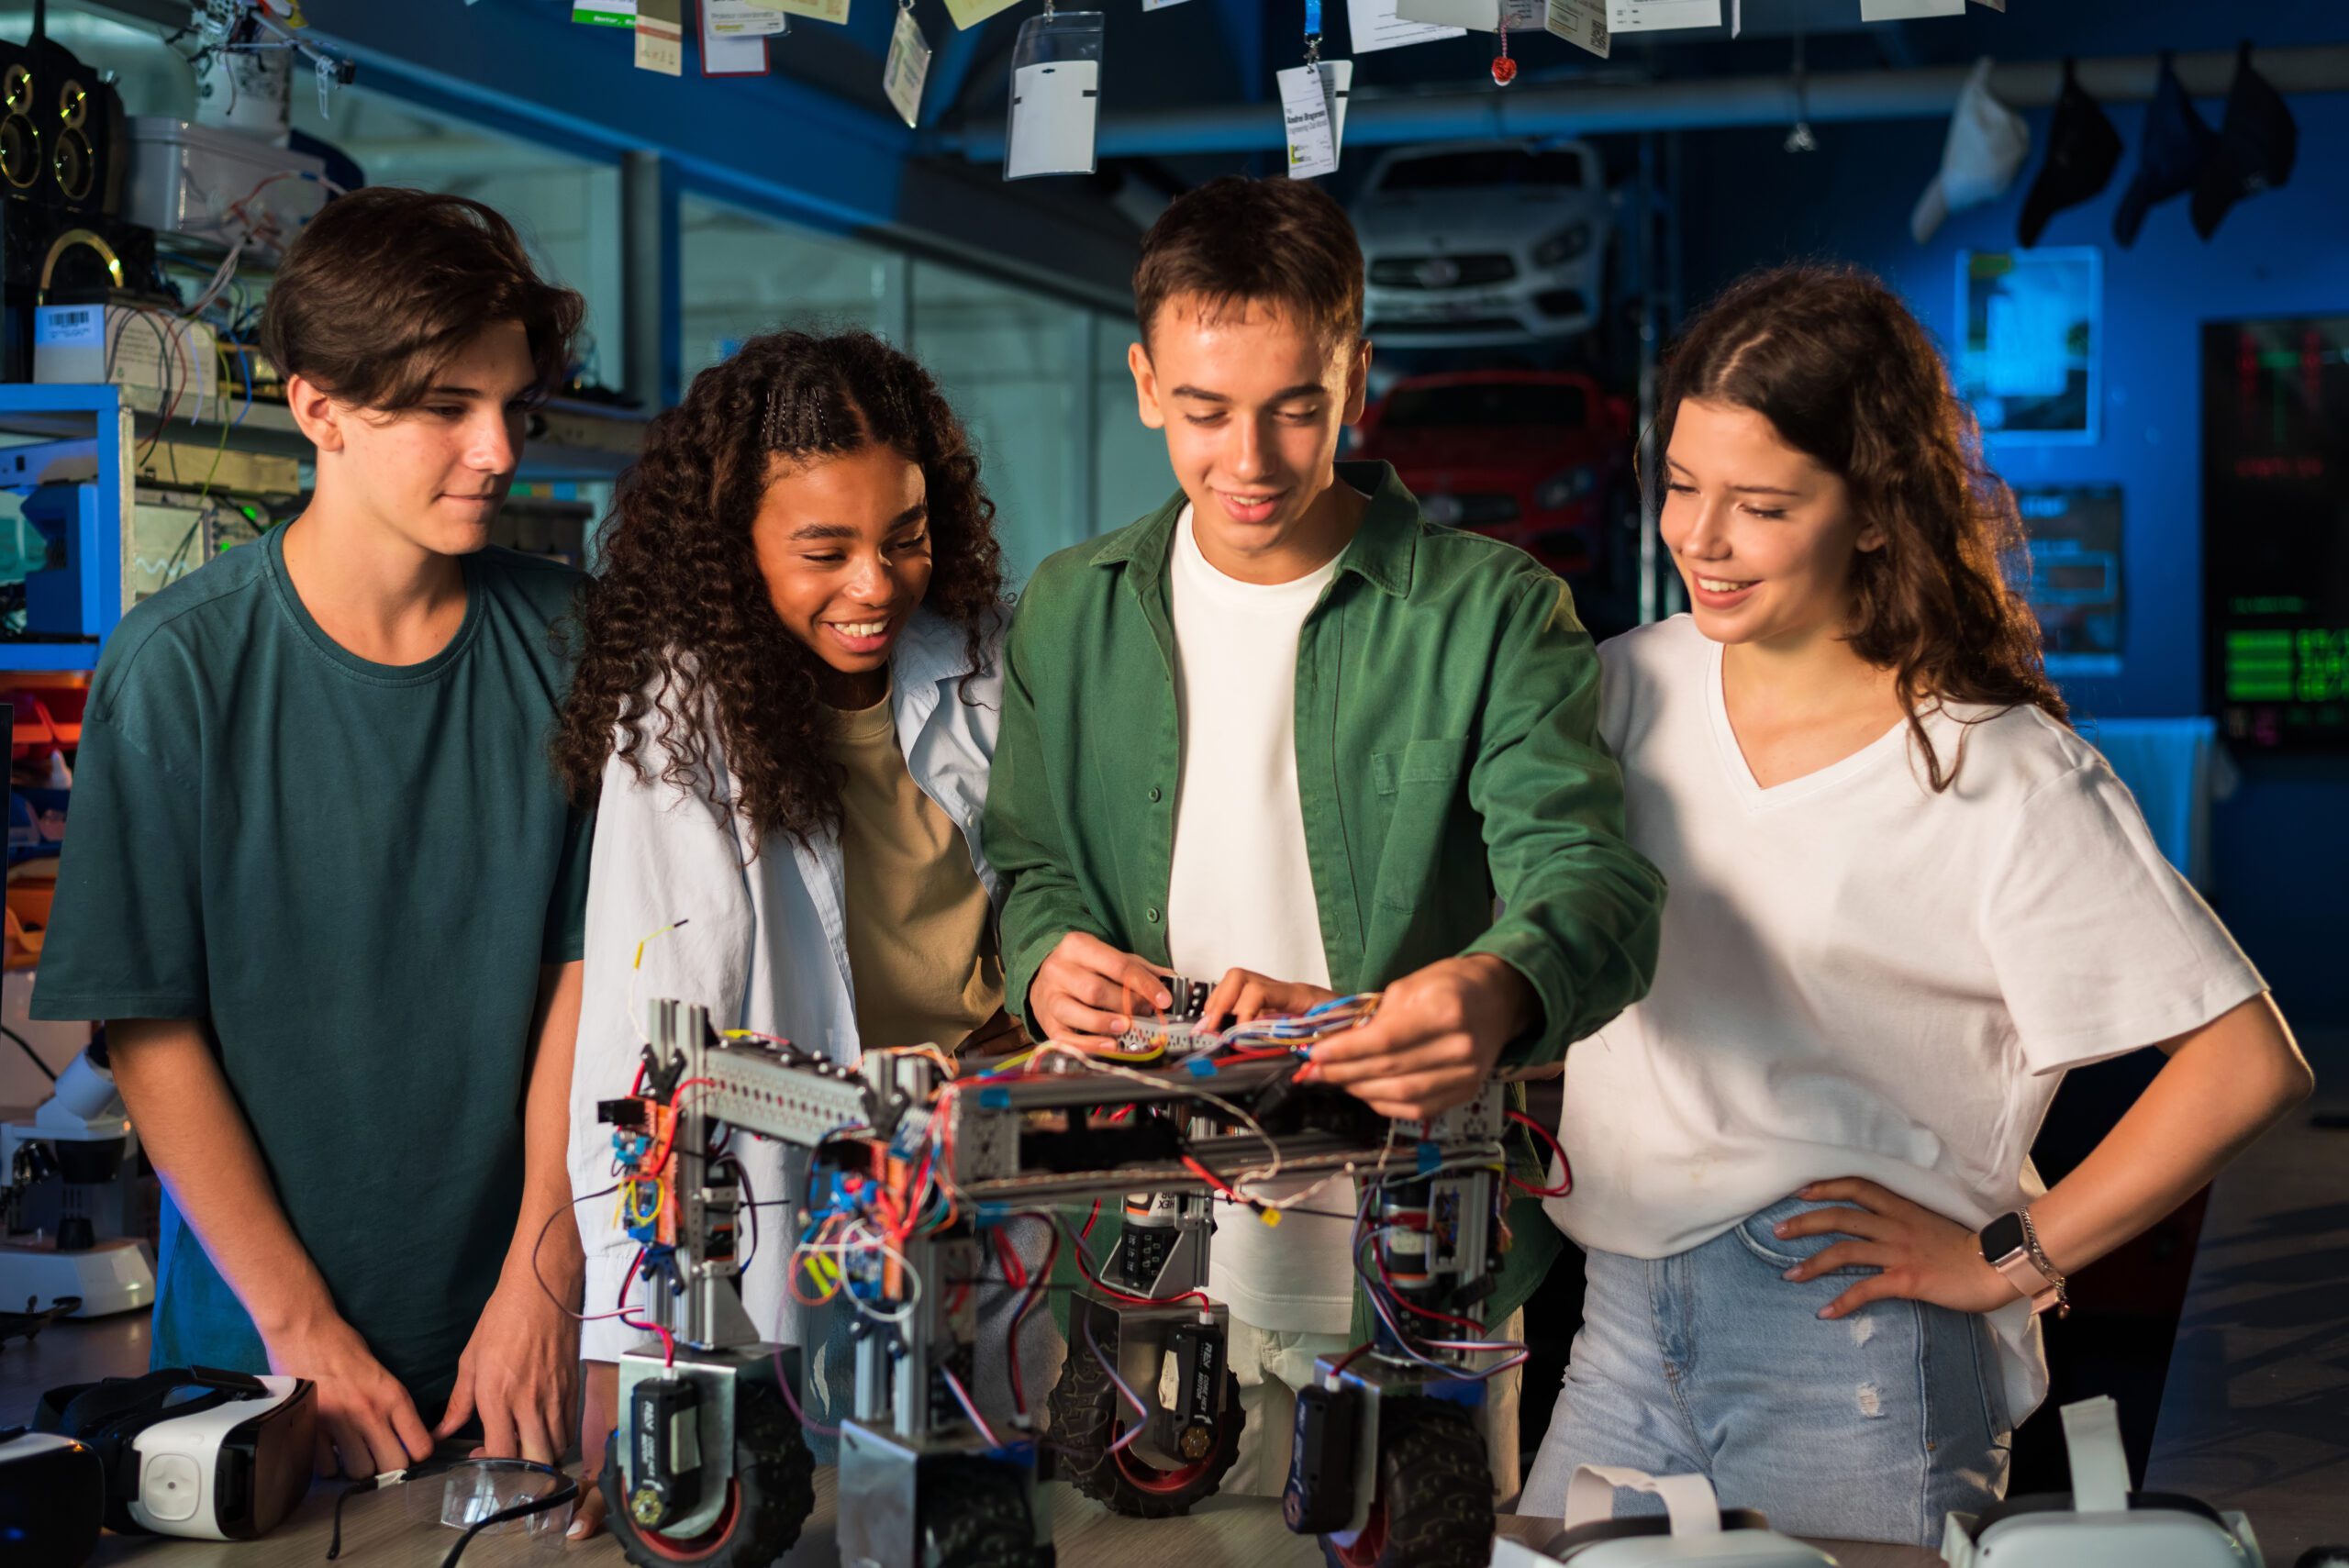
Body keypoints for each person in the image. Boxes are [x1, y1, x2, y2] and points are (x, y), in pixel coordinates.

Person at [1518, 265, 2314, 1543]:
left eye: (1761, 504)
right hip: (1621, 1320)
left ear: (1874, 511)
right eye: (1680, 484)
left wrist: (2013, 1253)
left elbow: (2245, 1064)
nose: (1699, 539)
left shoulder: (1993, 764)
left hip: (1856, 1349)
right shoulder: (1620, 690)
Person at [982, 175, 1667, 1496]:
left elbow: (1592, 878)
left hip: (1413, 1269)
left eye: (1296, 407)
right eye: (1203, 411)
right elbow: (1030, 859)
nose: (1249, 460)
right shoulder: (1070, 609)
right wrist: (1043, 954)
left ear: (1359, 376)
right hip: (1140, 1257)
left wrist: (1498, 982)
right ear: (1142, 383)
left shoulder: (1493, 612)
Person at [29, 189, 597, 1479]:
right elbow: (147, 1026)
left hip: (524, 1350)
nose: (499, 448)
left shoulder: (573, 642)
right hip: (263, 1370)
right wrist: (306, 1333)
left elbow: (590, 966)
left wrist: (544, 1265)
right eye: (448, 407)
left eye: (512, 404)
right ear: (318, 407)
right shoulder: (176, 670)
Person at [556, 329, 1050, 1538]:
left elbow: (1043, 888)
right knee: (805, 1483)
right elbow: (647, 1035)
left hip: (985, 1136)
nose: (875, 584)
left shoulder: (982, 662)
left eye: (905, 537)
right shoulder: (685, 718)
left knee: (989, 1481)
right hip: (808, 1170)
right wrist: (632, 1377)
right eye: (824, 550)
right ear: (736, 548)